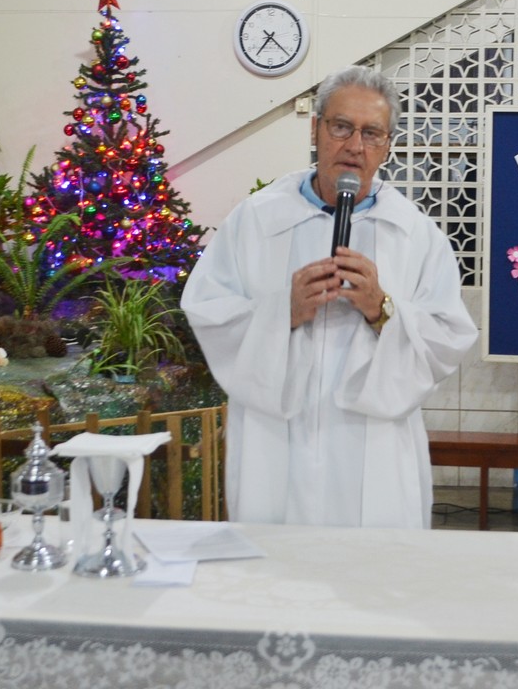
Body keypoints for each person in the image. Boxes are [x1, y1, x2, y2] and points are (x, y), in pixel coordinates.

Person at [180, 65, 477, 528]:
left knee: (369, 566)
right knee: (275, 564)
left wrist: (383, 310)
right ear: (316, 129)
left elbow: (448, 338)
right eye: (341, 127)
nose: (355, 145)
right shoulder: (256, 221)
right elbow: (208, 311)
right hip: (277, 444)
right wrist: (283, 312)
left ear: (387, 146)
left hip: (374, 448)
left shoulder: (415, 234)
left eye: (372, 133)